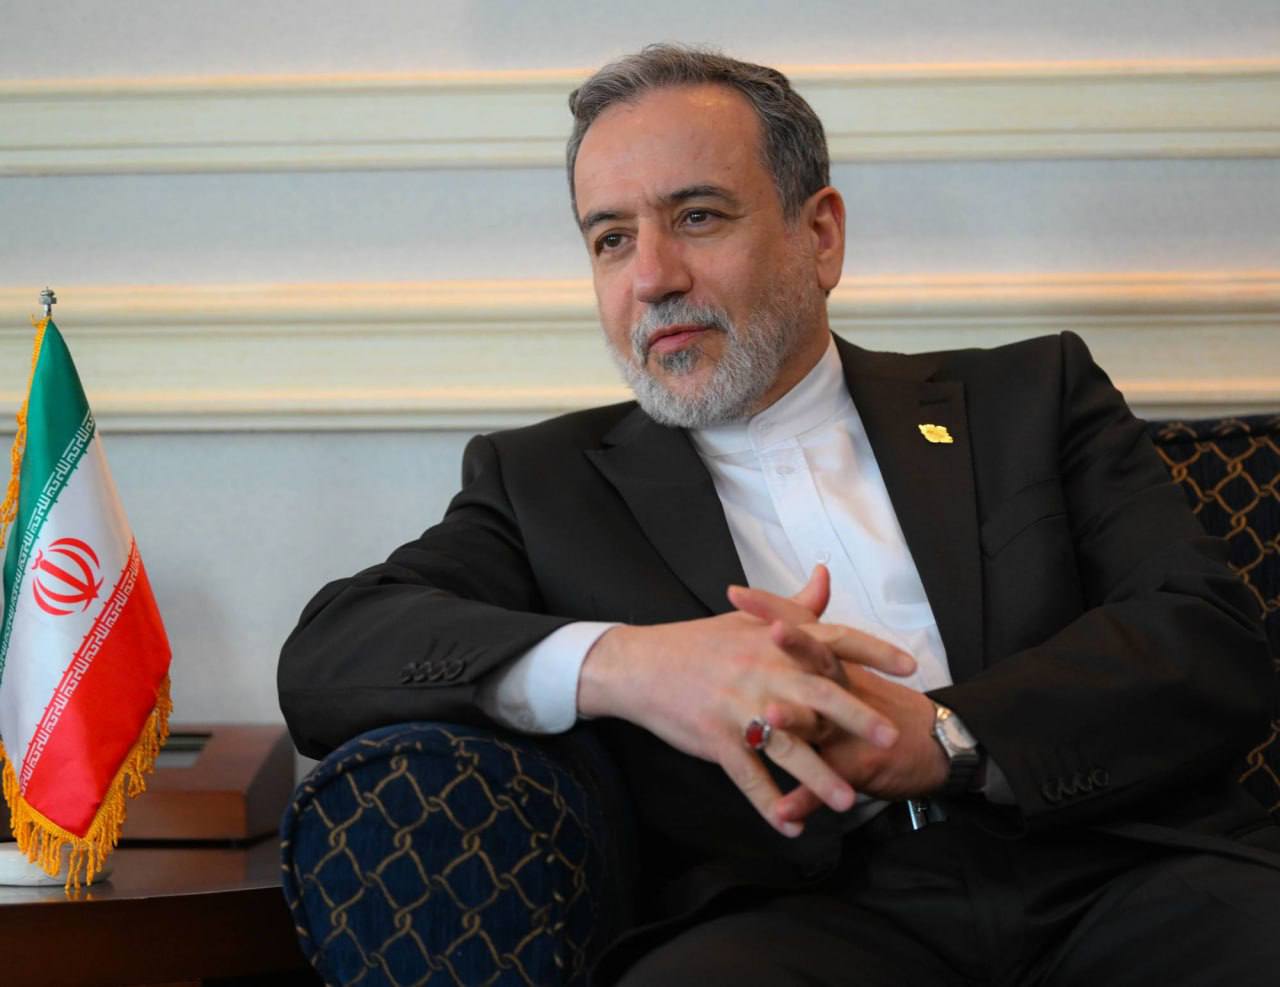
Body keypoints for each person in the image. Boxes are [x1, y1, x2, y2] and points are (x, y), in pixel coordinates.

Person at [280, 45, 1280, 985]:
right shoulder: (543, 484)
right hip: (799, 919)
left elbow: (1206, 633)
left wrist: (947, 733)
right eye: (611, 239)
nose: (652, 277)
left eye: (697, 216)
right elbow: (332, 655)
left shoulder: (1027, 397)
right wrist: (632, 664)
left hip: (1117, 874)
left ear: (820, 235)